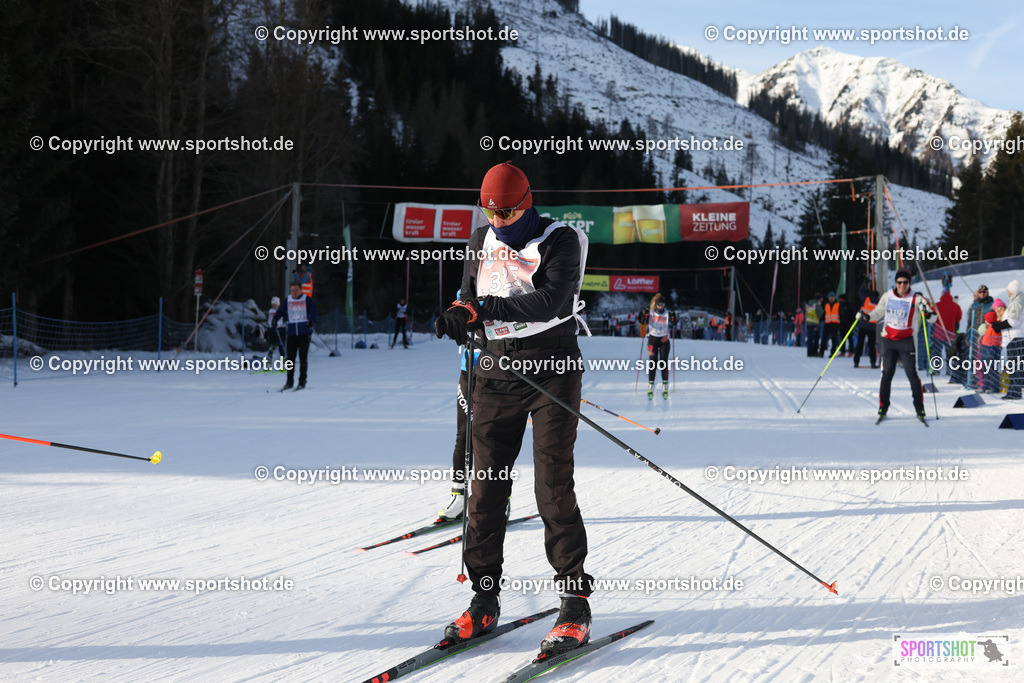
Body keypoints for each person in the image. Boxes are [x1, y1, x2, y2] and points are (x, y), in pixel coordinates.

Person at [433, 161, 594, 655]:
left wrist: (486, 308)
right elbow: (468, 296)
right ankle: (483, 601)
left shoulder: (560, 239)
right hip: (496, 374)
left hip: (552, 371)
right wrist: (461, 312)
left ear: (528, 202)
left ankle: (573, 606)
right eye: (490, 210)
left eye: (507, 210)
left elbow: (550, 300)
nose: (499, 220)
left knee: (551, 485)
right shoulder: (480, 239)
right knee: (485, 492)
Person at [861, 269, 932, 420]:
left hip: (907, 341)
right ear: (896, 283)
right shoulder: (888, 296)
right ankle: (883, 407)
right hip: (888, 341)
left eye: (905, 282)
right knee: (886, 374)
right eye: (899, 282)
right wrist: (867, 317)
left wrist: (927, 313)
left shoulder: (917, 298)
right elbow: (878, 312)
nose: (902, 285)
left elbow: (932, 318)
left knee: (912, 375)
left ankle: (920, 409)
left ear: (909, 283)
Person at [271, 281, 318, 390]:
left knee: (303, 358)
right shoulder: (288, 300)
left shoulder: (307, 299)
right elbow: (281, 310)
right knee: (290, 359)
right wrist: (275, 319)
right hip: (292, 334)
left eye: (296, 290)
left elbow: (314, 311)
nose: (294, 292)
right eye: (292, 290)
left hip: (304, 334)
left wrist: (311, 320)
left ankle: (302, 381)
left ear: (300, 290)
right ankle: (289, 382)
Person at [988, 280, 1023, 400]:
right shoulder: (1016, 301)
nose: (1007, 292)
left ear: (1012, 290)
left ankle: (1014, 393)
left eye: (1008, 289)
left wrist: (999, 326)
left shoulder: (1017, 302)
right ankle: (1014, 391)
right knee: (1015, 367)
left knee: (1016, 367)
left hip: (1016, 339)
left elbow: (1014, 321)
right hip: (1014, 338)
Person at [638, 293, 675, 399]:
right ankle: (651, 385)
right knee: (653, 362)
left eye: (662, 304)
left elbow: (674, 323)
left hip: (664, 340)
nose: (661, 307)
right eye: (659, 304)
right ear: (655, 304)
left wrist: (673, 315)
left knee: (663, 362)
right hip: (652, 340)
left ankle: (665, 385)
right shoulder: (650, 312)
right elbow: (642, 321)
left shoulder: (667, 313)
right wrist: (644, 314)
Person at [964, 285, 994, 389]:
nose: (982, 293)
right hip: (975, 335)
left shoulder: (991, 305)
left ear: (987, 292)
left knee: (985, 360)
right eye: (980, 292)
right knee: (973, 359)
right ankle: (974, 381)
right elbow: (969, 322)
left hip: (987, 336)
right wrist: (968, 336)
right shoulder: (974, 305)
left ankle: (986, 383)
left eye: (984, 291)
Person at [978, 302, 1004, 393]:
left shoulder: (994, 327)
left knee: (991, 369)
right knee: (987, 369)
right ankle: (986, 386)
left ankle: (993, 387)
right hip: (988, 348)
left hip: (991, 349)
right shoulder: (991, 327)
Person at [853, 290, 879, 369]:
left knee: (860, 344)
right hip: (872, 326)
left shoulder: (866, 299)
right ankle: (873, 362)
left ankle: (856, 361)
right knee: (871, 345)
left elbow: (860, 292)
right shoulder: (878, 302)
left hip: (863, 325)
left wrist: (864, 285)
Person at [819, 292, 841, 357]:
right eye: (830, 297)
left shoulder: (838, 305)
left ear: (834, 298)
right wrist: (820, 319)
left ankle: (832, 353)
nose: (831, 298)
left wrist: (841, 324)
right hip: (827, 324)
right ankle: (821, 352)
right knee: (824, 339)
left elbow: (841, 314)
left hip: (835, 324)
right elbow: (825, 314)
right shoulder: (826, 305)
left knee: (834, 339)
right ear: (828, 298)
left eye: (832, 297)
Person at [266, 296, 286, 361]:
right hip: (272, 329)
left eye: (275, 304)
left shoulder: (281, 310)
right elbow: (269, 320)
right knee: (272, 345)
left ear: (278, 304)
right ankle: (269, 359)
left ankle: (283, 360)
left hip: (280, 329)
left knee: (281, 346)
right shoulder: (270, 311)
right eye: (272, 304)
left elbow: (285, 319)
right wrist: (267, 329)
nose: (273, 306)